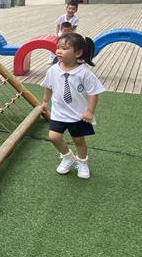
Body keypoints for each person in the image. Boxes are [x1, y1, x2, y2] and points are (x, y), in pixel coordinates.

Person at [40, 32, 105, 179]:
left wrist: (90, 112)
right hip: (59, 113)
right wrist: (45, 101)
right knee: (54, 137)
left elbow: (93, 93)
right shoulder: (53, 70)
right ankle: (67, 157)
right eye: (58, 47)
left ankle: (82, 162)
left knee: (79, 140)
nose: (59, 51)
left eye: (64, 48)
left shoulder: (84, 73)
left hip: (78, 115)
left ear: (78, 53)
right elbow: (48, 87)